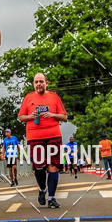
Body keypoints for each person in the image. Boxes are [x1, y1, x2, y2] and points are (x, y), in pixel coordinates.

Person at [18, 73, 67, 208]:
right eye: (36, 82)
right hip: (35, 137)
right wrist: (30, 116)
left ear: (46, 83)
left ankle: (51, 198)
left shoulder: (54, 97)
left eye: (41, 81)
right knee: (39, 167)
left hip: (53, 135)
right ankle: (42, 189)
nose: (38, 84)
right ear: (33, 84)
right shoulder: (28, 98)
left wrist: (52, 115)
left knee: (53, 166)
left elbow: (64, 116)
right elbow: (21, 117)